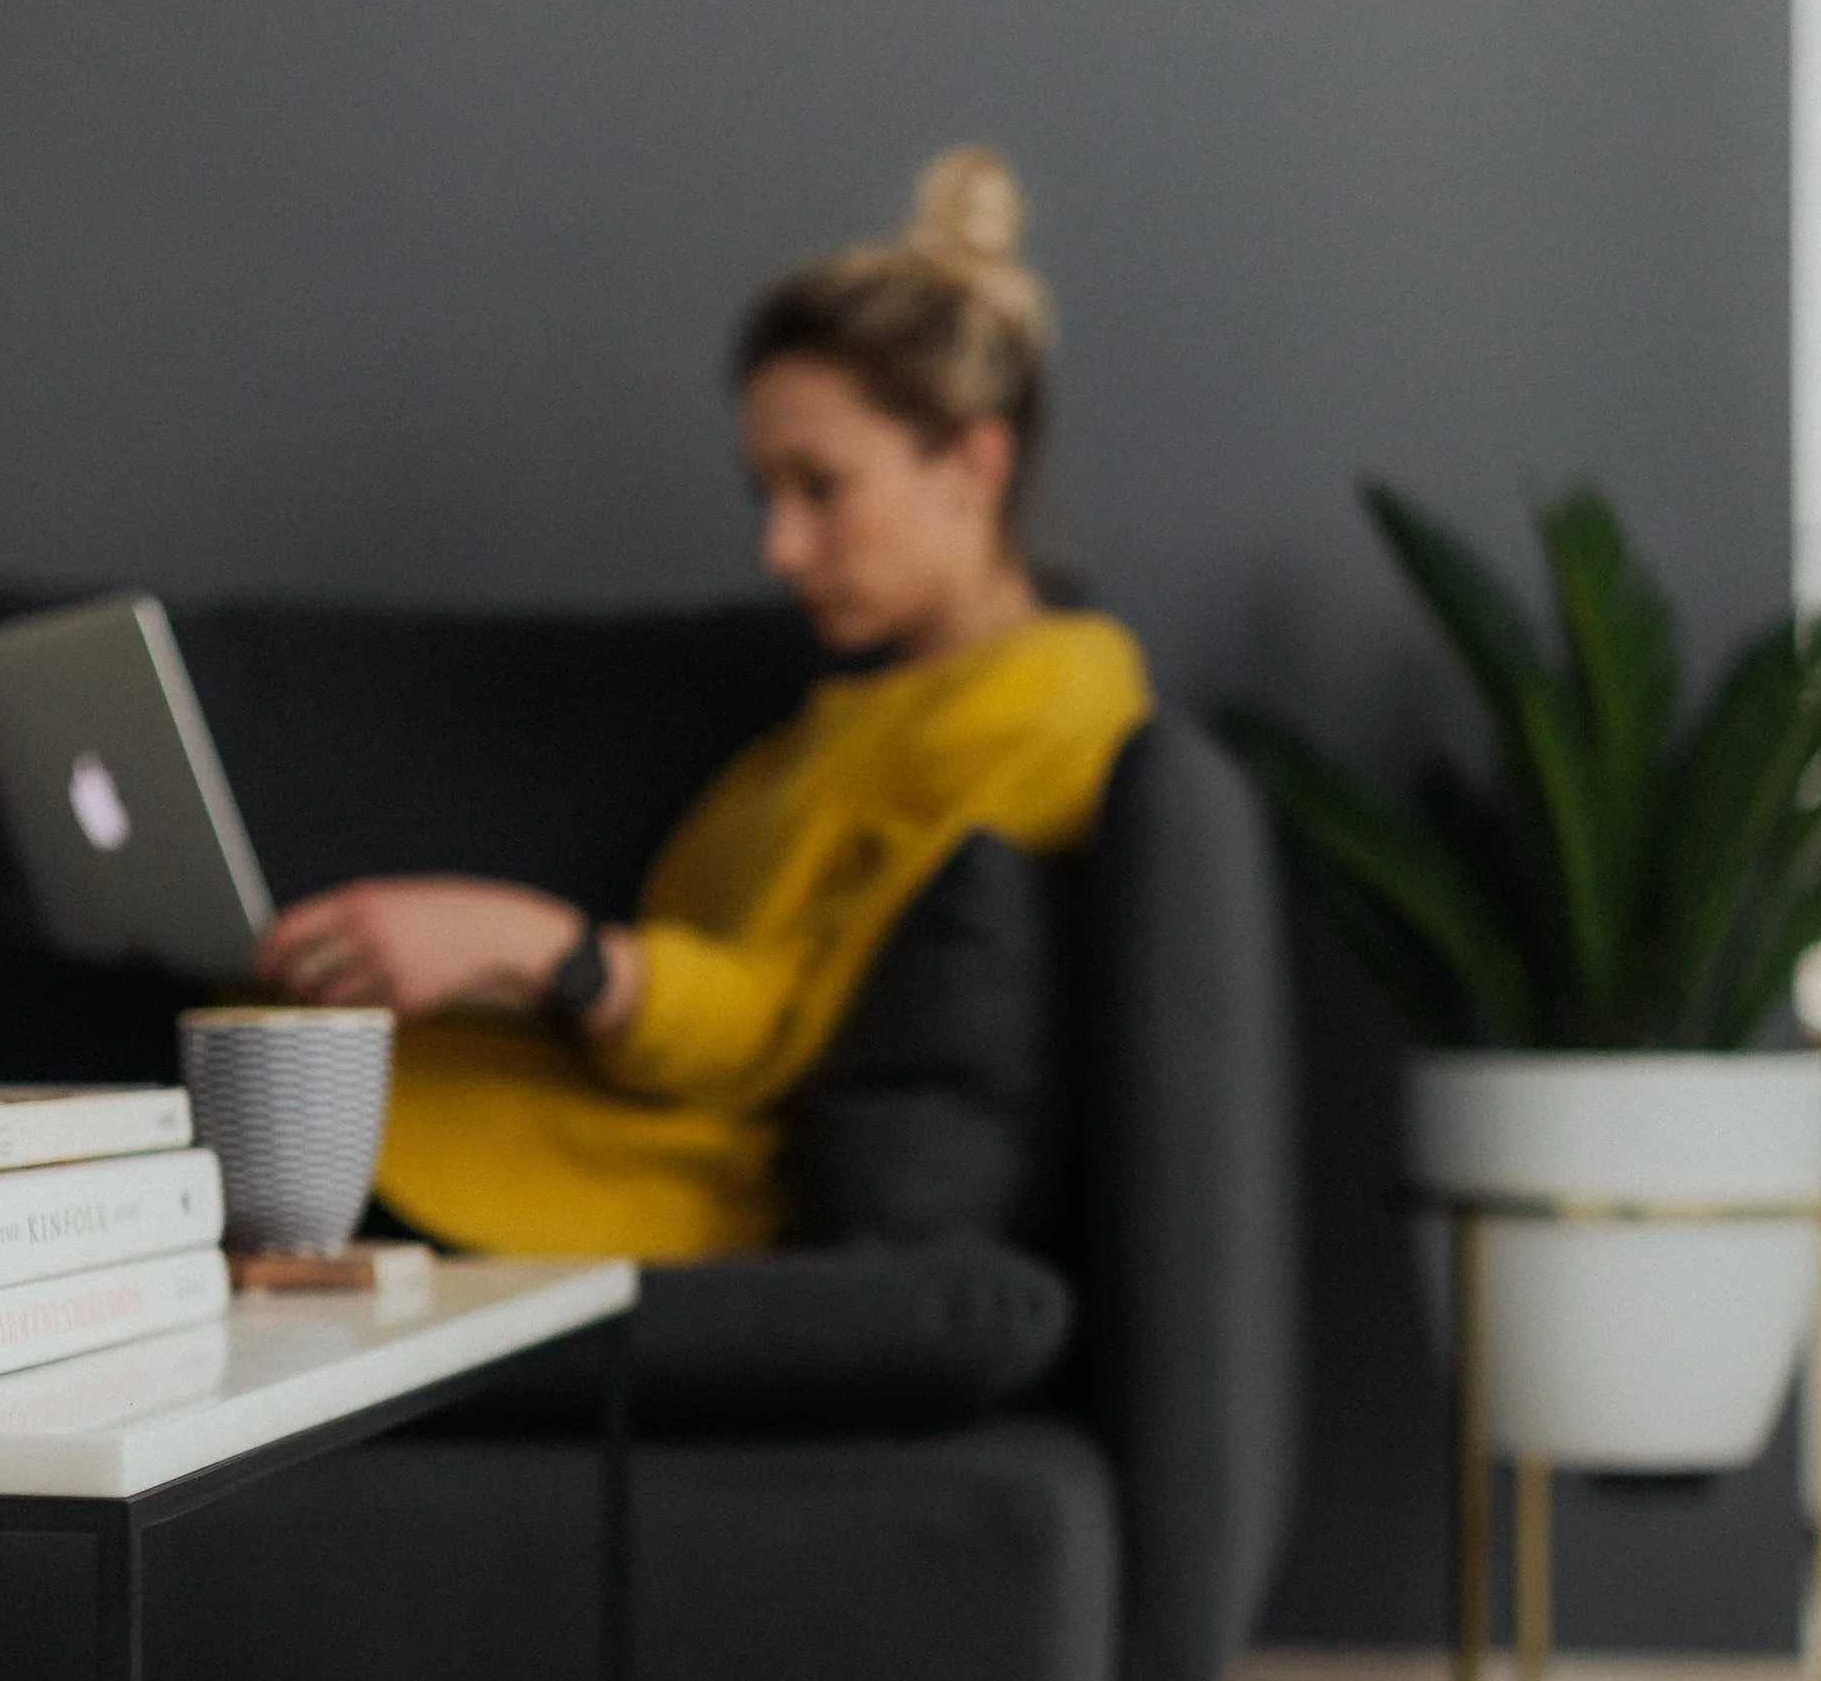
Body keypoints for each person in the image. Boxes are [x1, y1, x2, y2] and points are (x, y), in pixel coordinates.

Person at [253, 149, 1152, 1259]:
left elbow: (789, 1027)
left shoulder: (1050, 708)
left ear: (972, 465)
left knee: (125, 1065)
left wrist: (537, 950)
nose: (777, 550)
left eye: (821, 488)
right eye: (764, 493)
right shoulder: (866, 708)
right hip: (546, 1117)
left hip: (652, 1184)